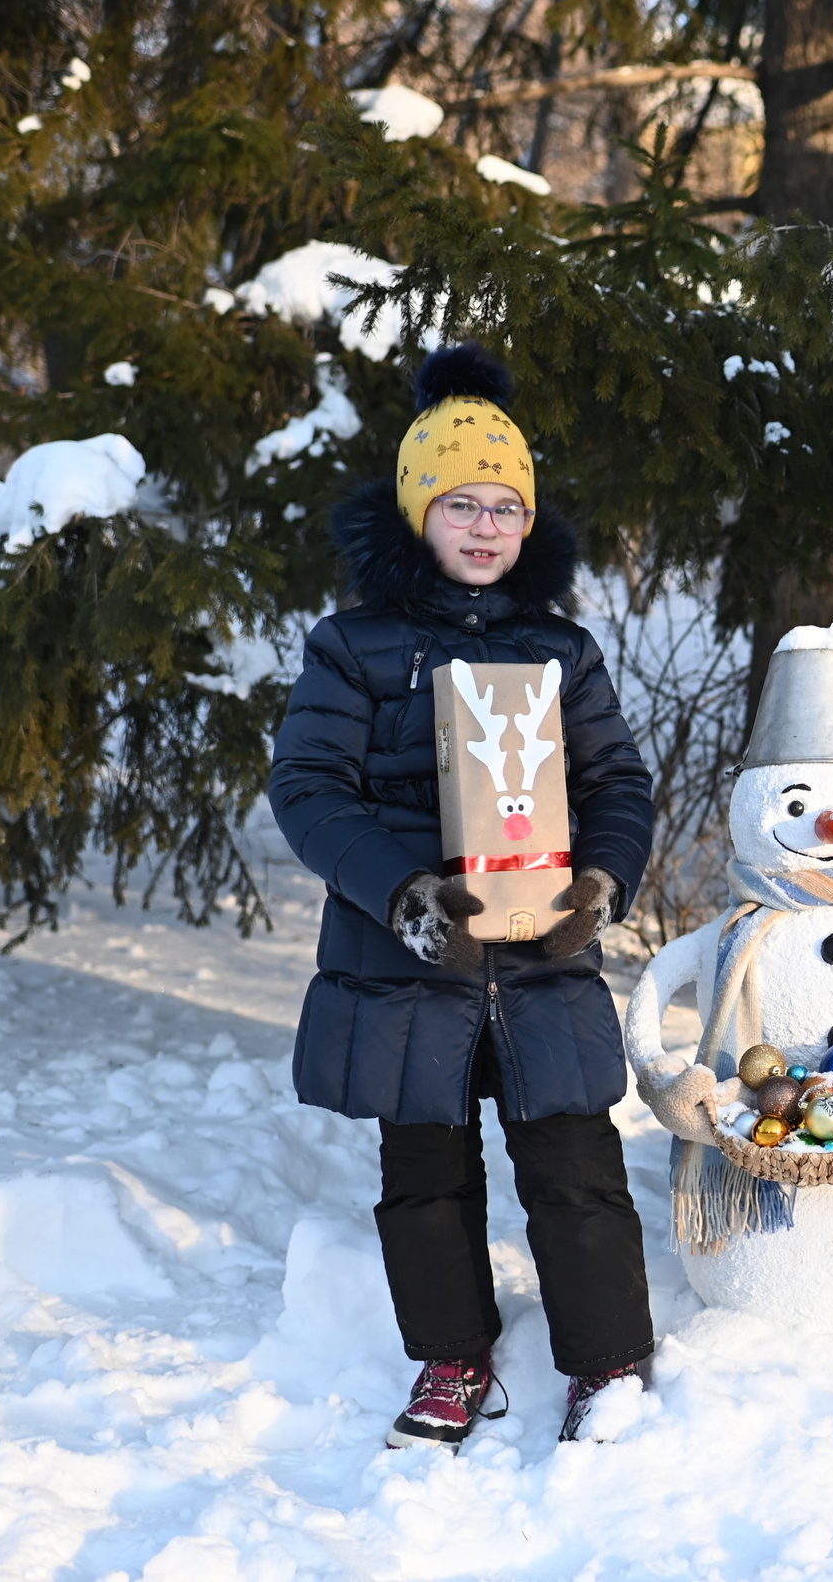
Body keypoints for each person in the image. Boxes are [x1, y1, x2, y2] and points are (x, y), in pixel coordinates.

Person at [270, 344, 658, 1451]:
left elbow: (614, 782)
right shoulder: (351, 647)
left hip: (542, 959)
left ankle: (607, 1363)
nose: (486, 527)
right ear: (415, 511)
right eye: (460, 504)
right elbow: (307, 786)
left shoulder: (563, 651)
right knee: (425, 1178)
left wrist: (603, 879)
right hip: (410, 961)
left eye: (507, 506)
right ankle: (453, 1357)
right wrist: (402, 891)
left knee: (578, 1169)